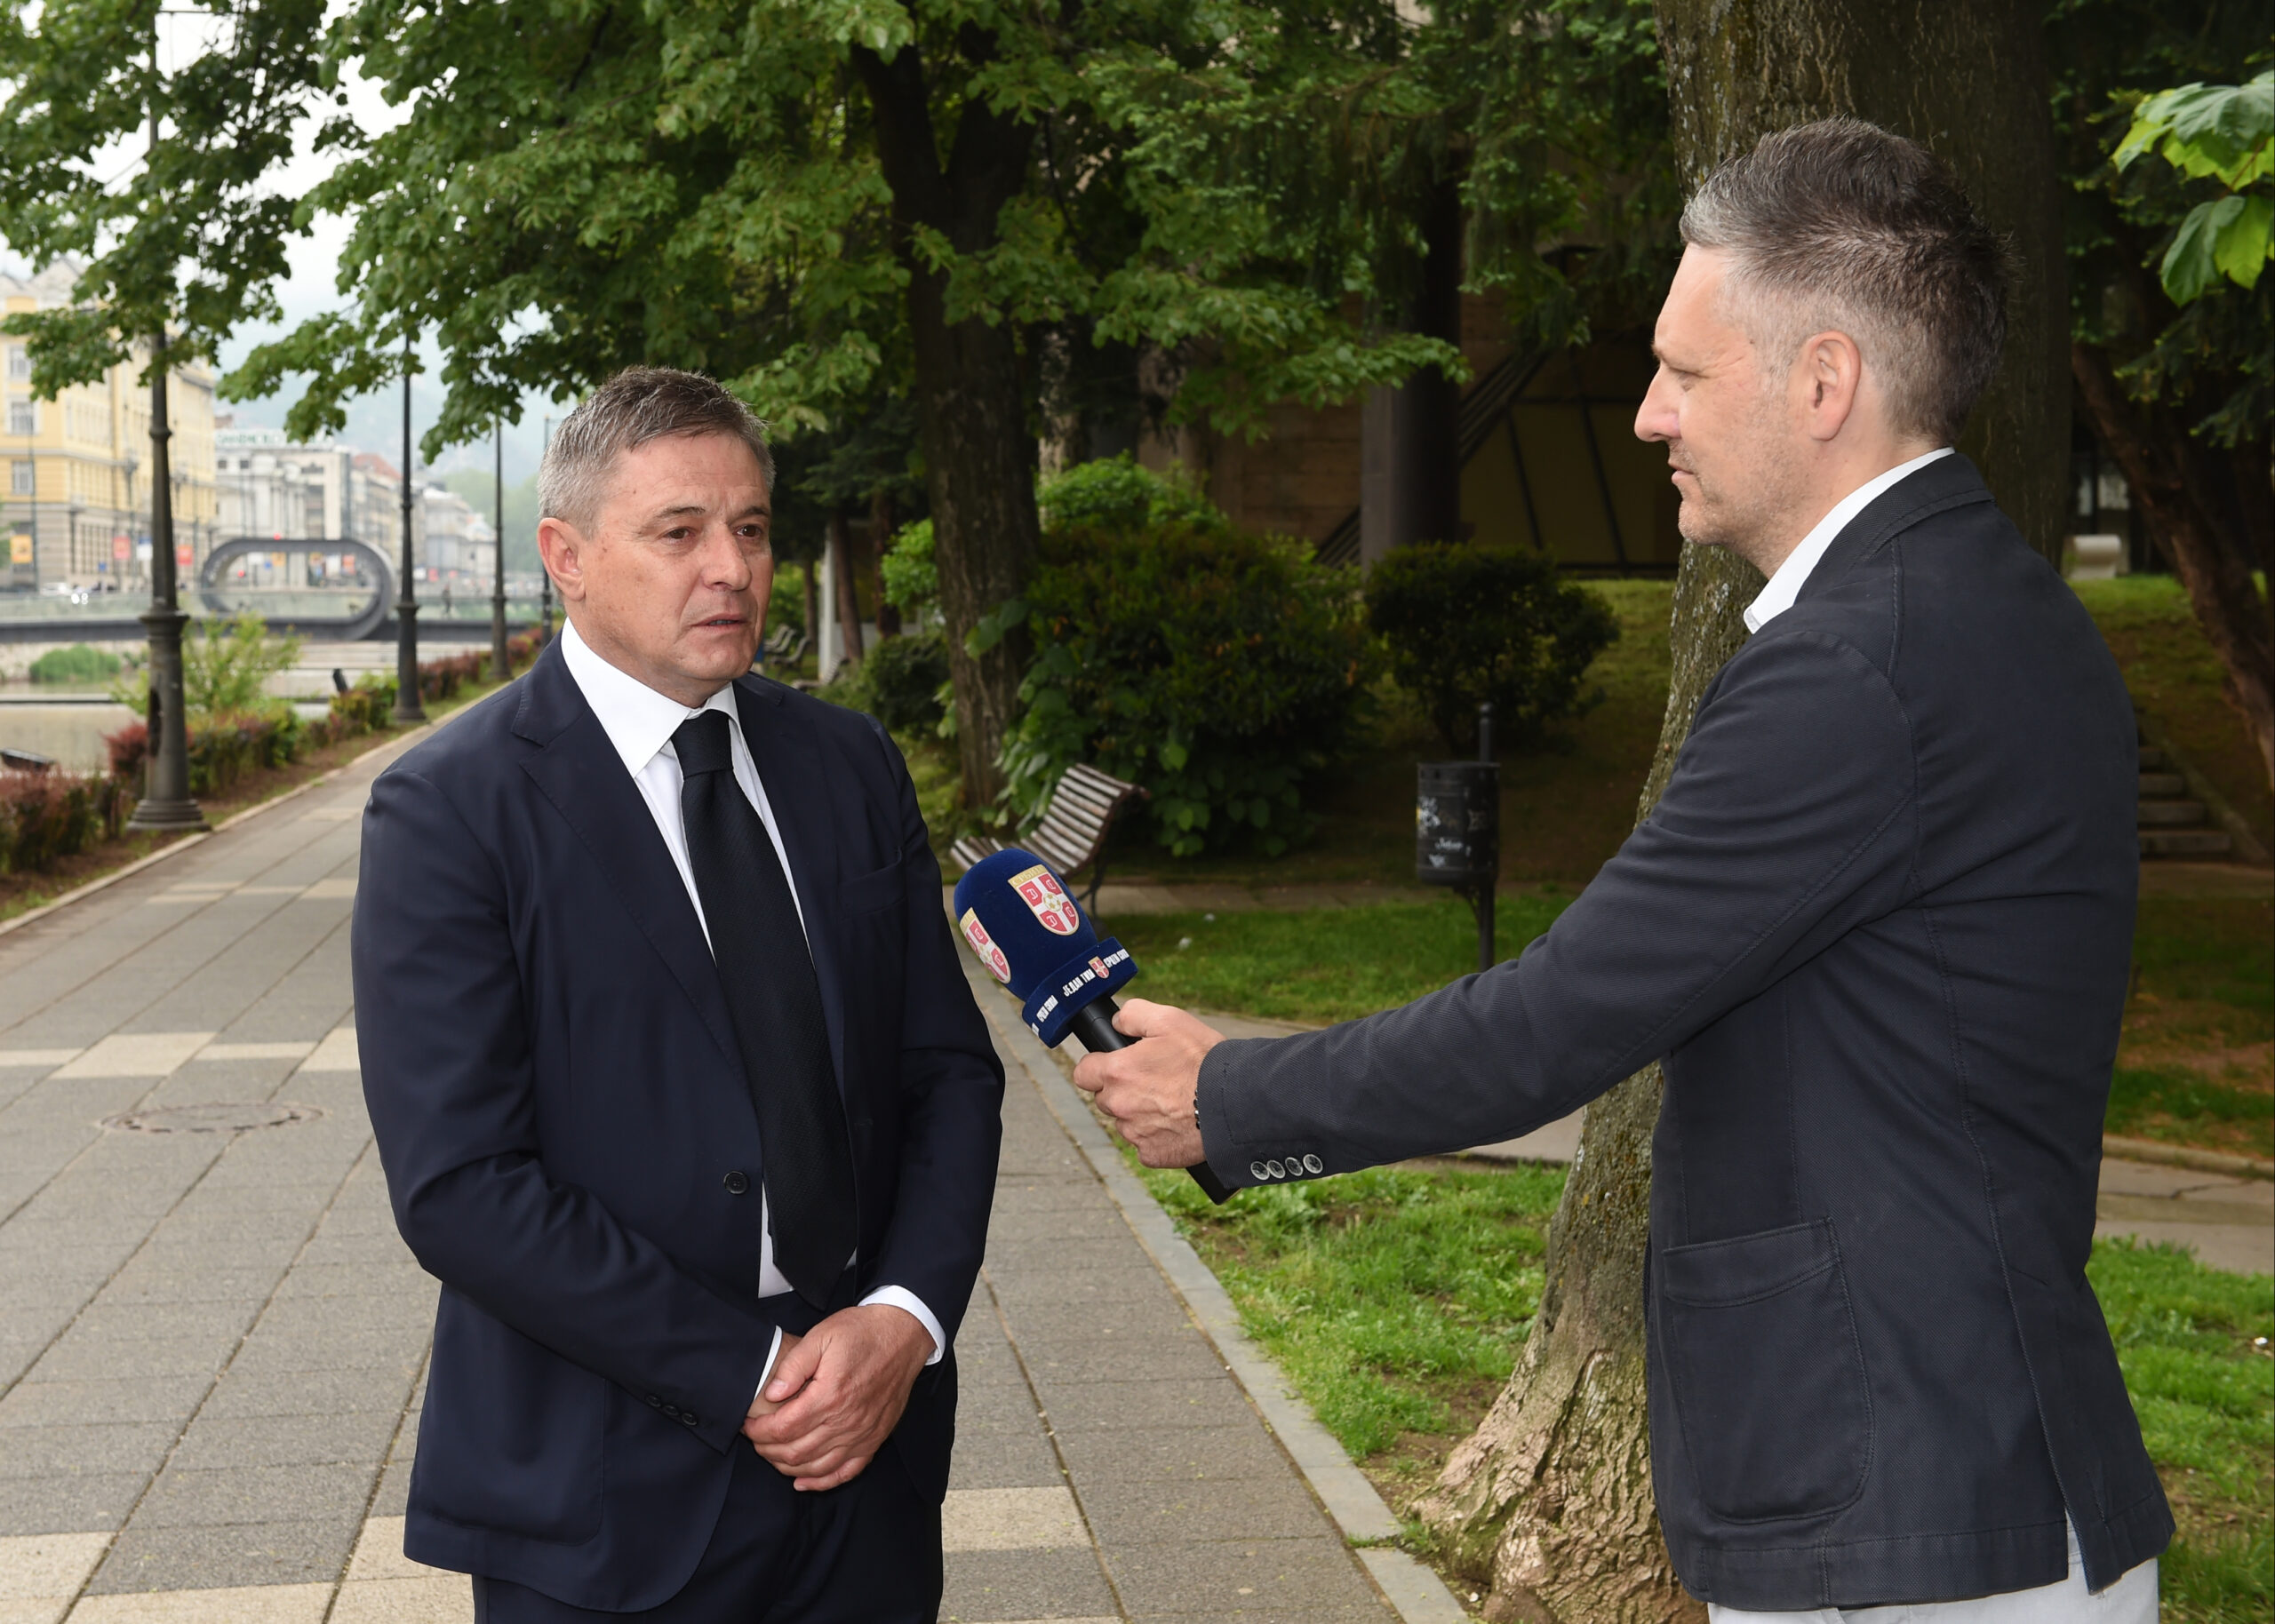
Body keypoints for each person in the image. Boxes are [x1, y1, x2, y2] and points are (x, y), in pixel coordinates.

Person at [1074, 120, 2171, 1619]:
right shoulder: (1996, 610)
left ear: (1826, 379)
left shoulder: (1862, 667)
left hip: (1899, 1507)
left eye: (1685, 370)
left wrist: (1230, 1101)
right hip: (1962, 1472)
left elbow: (1562, 1015)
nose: (1649, 414)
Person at [352, 367, 1003, 1622]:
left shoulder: (850, 765)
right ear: (568, 556)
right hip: (603, 1496)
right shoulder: (450, 811)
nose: (733, 568)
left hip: (867, 1459)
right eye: (680, 532)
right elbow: (461, 1185)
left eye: (752, 528)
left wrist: (905, 1319)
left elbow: (947, 1074)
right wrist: (748, 1372)